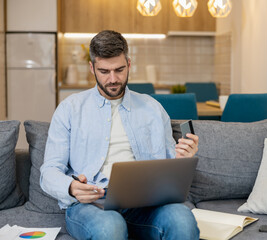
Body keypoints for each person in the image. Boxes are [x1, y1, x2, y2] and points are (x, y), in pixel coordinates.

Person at [40, 30, 200, 240]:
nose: (113, 79)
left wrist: (183, 159)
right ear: (92, 68)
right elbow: (49, 171)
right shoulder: (70, 109)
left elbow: (169, 164)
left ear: (129, 64)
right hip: (91, 204)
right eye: (104, 71)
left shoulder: (153, 108)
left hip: (146, 203)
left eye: (119, 70)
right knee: (110, 227)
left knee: (182, 220)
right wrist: (70, 187)